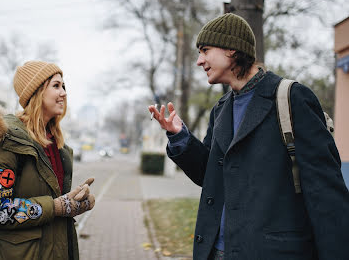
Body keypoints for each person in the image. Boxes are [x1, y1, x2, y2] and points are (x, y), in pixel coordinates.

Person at [149, 13, 349, 260]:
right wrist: (179, 136)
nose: (199, 61)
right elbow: (208, 175)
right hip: (217, 251)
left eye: (205, 50)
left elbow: (326, 193)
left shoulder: (291, 98)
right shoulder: (221, 109)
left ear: (232, 49)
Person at [0, 61, 95, 260]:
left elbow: (56, 200)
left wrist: (78, 200)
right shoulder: (9, 140)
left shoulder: (56, 144)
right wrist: (55, 207)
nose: (63, 93)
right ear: (36, 92)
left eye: (64, 86)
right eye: (56, 86)